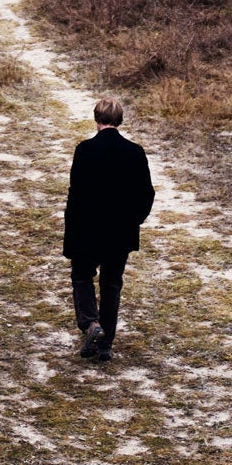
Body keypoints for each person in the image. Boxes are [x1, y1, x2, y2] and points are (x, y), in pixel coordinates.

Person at [63, 96, 155, 361]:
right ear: (120, 120)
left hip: (86, 230)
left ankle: (91, 324)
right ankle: (105, 347)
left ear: (96, 118)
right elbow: (146, 194)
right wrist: (134, 220)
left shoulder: (84, 150)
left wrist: (71, 231)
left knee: (82, 277)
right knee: (112, 284)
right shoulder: (135, 152)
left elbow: (76, 194)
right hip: (120, 232)